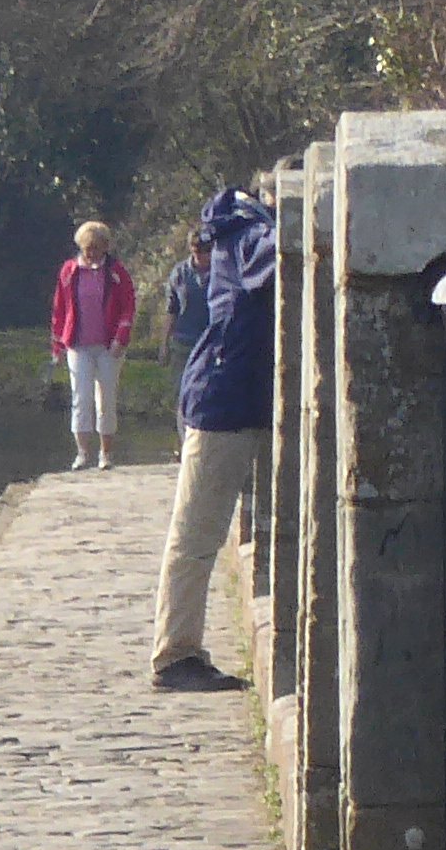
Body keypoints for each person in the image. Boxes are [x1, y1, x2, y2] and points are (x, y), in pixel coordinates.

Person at [157, 183, 277, 683]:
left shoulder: (234, 232)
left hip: (234, 395)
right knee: (195, 536)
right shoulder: (249, 236)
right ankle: (176, 656)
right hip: (222, 400)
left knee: (197, 535)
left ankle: (180, 652)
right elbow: (284, 252)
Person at [49, 219, 141, 469]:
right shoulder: (69, 271)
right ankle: (82, 453)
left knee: (106, 399)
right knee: (81, 398)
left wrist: (121, 338)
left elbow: (128, 307)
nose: (91, 253)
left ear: (105, 247)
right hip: (77, 345)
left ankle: (106, 454)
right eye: (88, 248)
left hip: (108, 347)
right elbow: (59, 308)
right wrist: (57, 344)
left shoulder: (117, 272)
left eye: (97, 248)